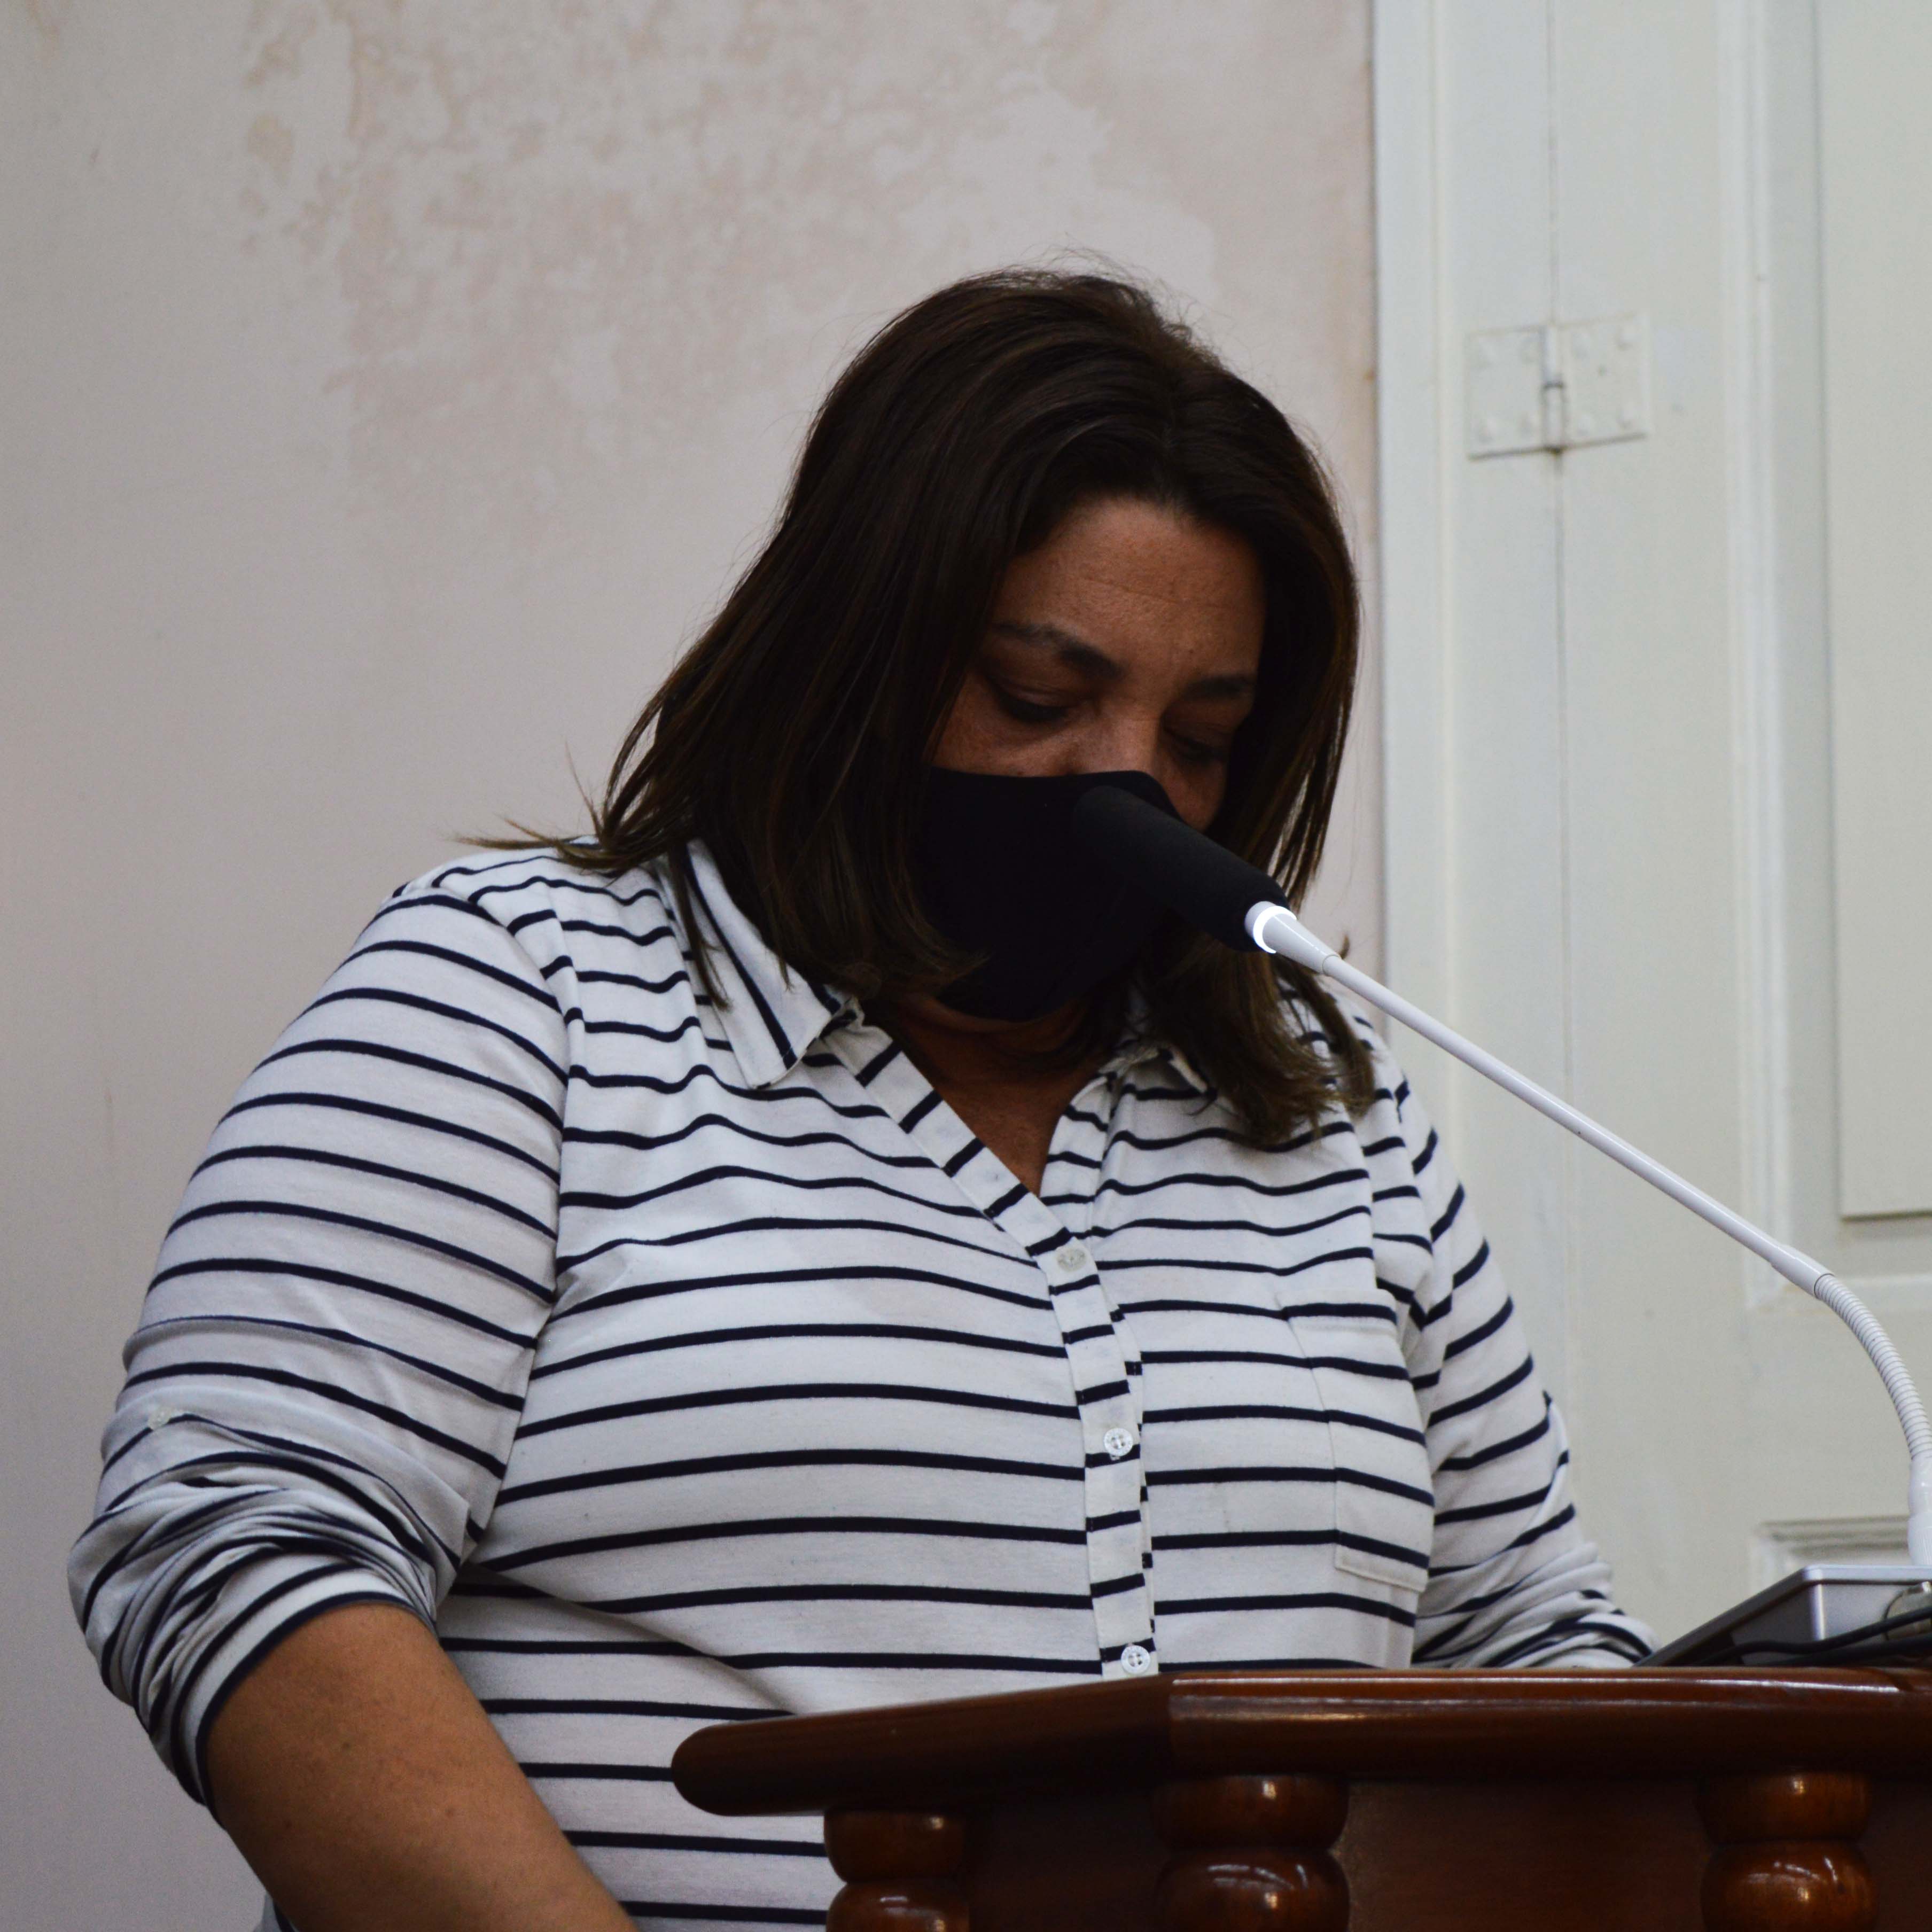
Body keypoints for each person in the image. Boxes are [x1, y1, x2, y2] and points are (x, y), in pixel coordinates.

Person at [72, 268, 1650, 1932]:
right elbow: (230, 1537)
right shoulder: (522, 991)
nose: (1124, 785)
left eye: (1199, 737)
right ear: (852, 654)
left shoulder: (1326, 1113)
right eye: (1038, 700)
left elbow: (1533, 1644)